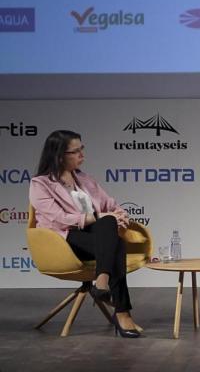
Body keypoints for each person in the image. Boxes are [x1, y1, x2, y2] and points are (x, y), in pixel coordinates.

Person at [29, 130, 143, 338]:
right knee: (115, 242)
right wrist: (97, 217)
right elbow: (58, 218)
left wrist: (119, 214)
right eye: (77, 151)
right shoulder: (40, 184)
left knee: (109, 227)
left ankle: (102, 282)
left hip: (97, 237)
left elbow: (111, 205)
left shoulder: (85, 179)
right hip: (64, 240)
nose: (83, 155)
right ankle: (122, 312)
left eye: (83, 149)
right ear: (60, 155)